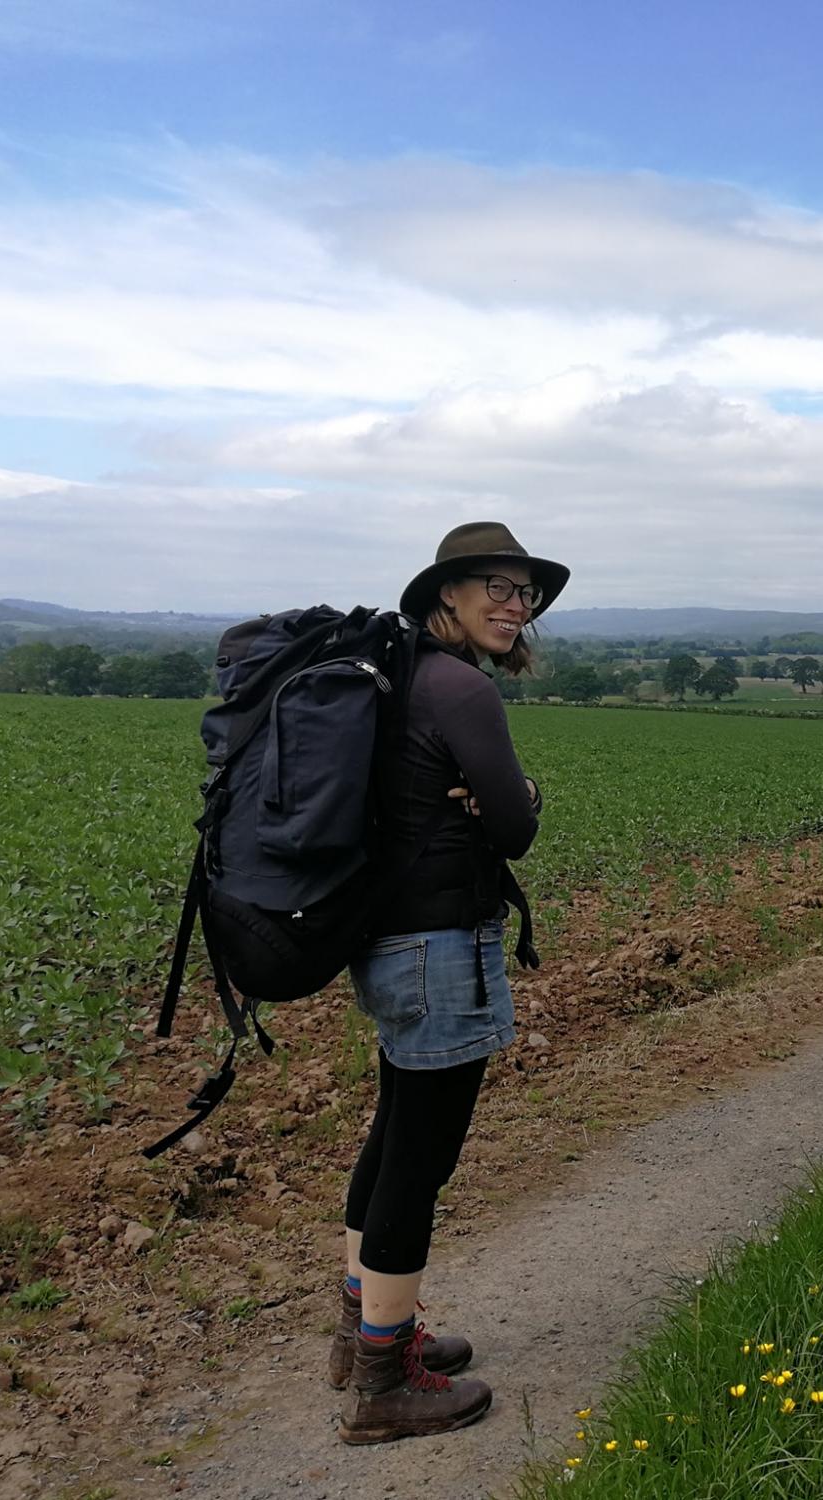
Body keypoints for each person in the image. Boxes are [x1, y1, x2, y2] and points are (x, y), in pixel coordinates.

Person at [330, 521, 569, 1445]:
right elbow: (513, 825)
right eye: (496, 589)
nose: (516, 607)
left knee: (393, 1137)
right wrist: (525, 796)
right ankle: (387, 1382)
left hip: (388, 945)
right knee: (421, 1160)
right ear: (448, 598)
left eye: (526, 593)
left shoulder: (395, 681)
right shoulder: (460, 686)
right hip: (440, 951)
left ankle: (361, 1335)